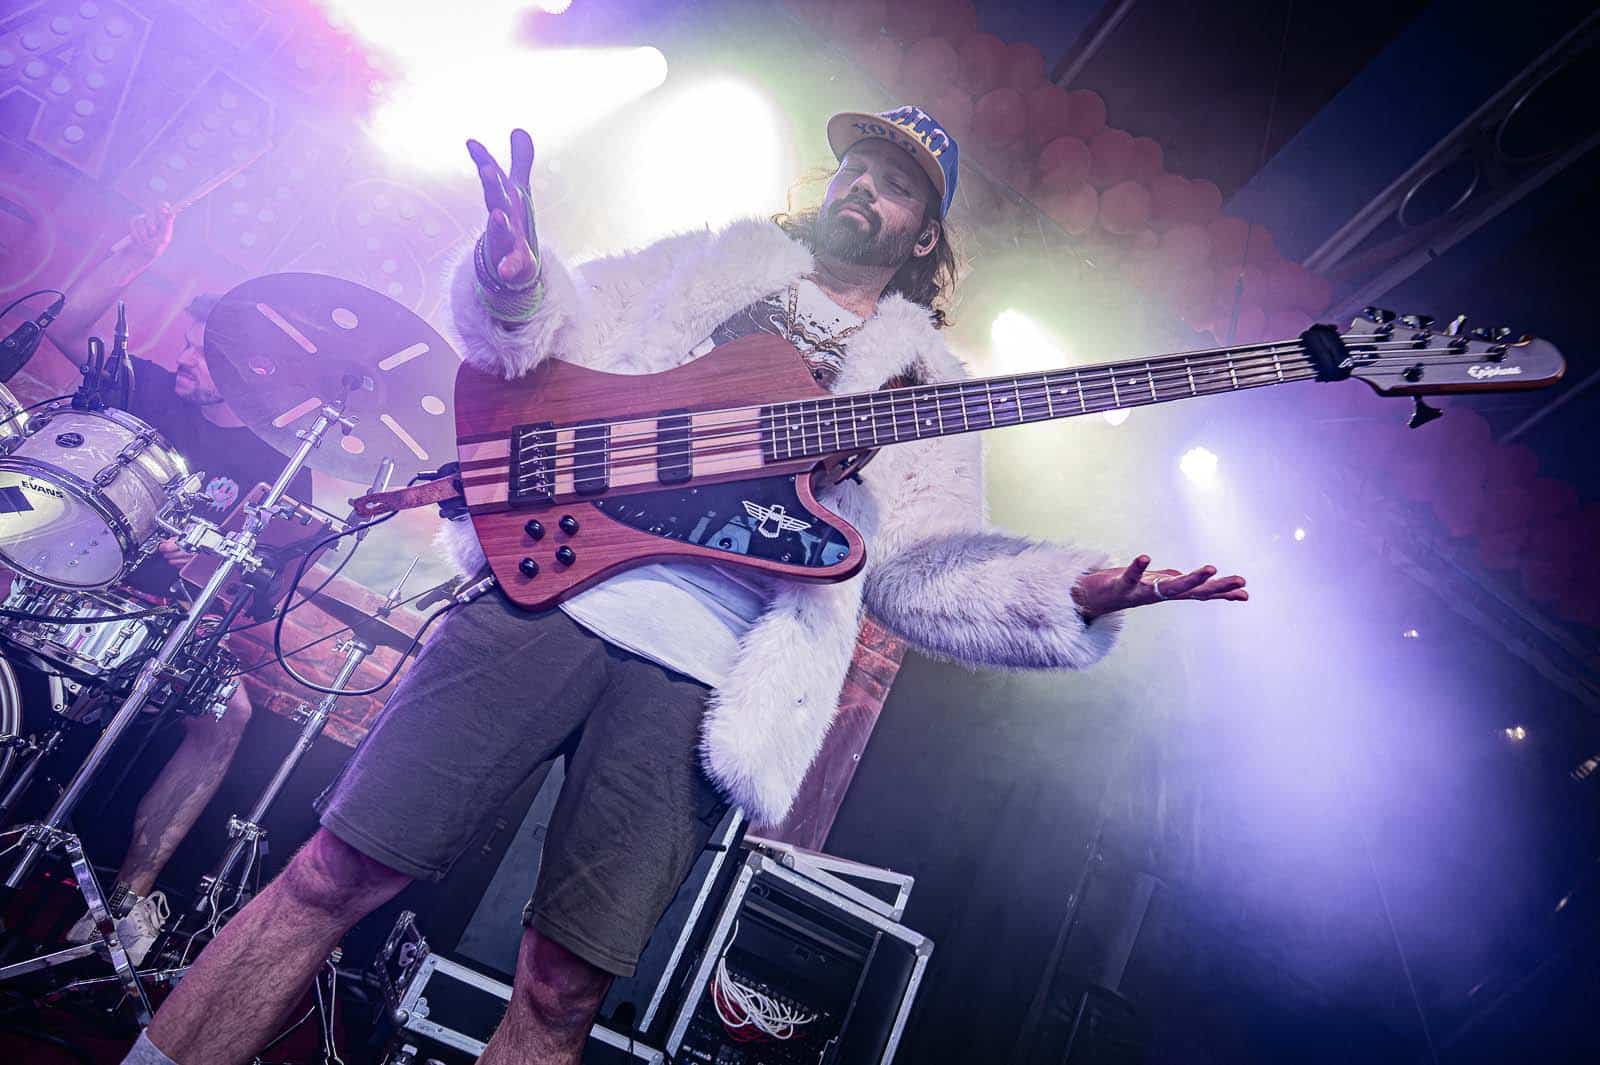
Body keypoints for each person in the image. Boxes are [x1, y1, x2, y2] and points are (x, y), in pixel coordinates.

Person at [124, 106, 1248, 1065]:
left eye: (897, 185)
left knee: (562, 989)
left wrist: (1066, 595)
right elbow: (540, 338)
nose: (864, 187)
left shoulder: (924, 382)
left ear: (923, 238)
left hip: (708, 677)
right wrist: (510, 276)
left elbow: (920, 568)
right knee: (333, 873)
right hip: (553, 590)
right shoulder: (701, 265)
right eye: (856, 166)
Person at [36, 208, 314, 961]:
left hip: (164, 623)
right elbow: (67, 329)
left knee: (230, 712)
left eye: (198, 352)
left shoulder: (283, 464)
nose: (182, 357)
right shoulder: (149, 389)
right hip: (74, 584)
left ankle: (126, 904)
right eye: (187, 344)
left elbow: (264, 581)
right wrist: (126, 260)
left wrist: (213, 567)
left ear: (247, 374)